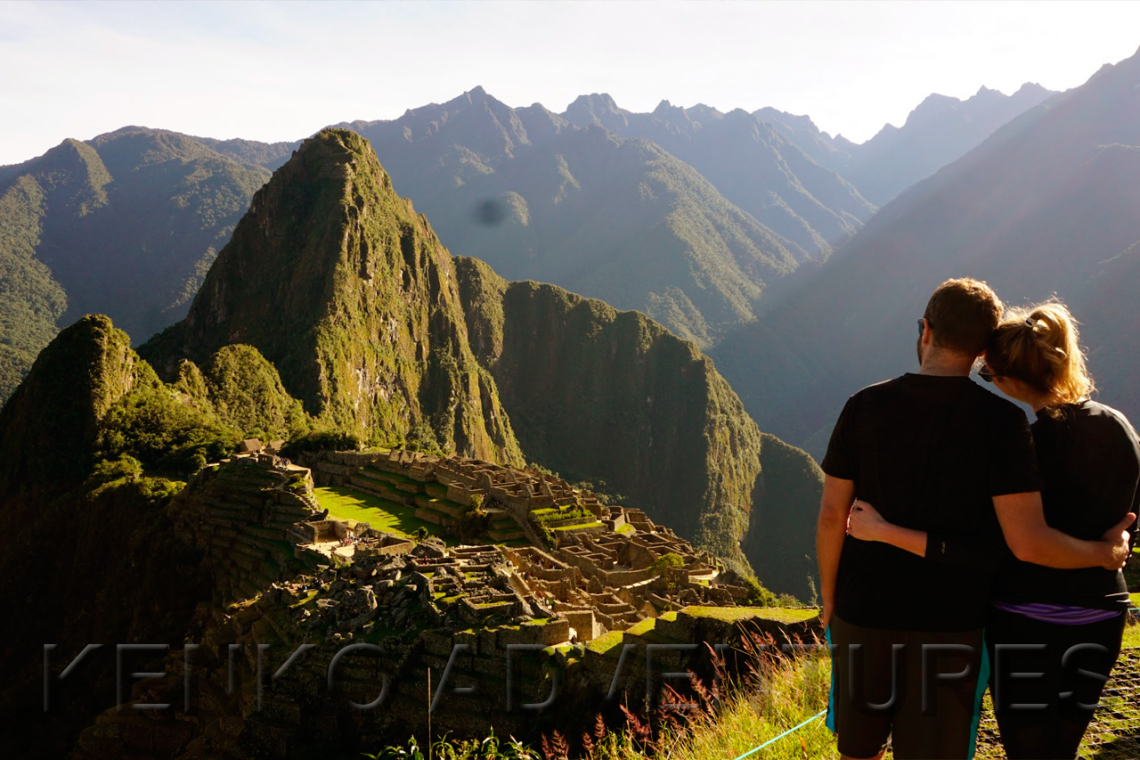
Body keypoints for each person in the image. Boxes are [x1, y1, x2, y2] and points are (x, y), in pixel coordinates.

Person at [816, 279, 1133, 760]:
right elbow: (1004, 541)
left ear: (926, 330)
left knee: (858, 749)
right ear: (982, 348)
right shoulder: (1008, 425)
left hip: (879, 611)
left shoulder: (865, 405)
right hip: (962, 619)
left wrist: (831, 597)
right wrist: (1107, 554)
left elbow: (830, 516)